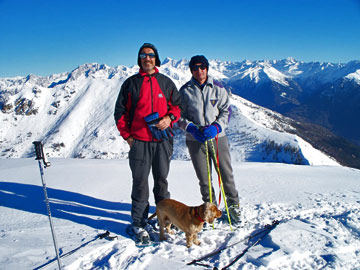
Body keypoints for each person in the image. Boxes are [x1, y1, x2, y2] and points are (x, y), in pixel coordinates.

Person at [114, 43, 181, 239]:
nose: (147, 58)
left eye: (150, 55)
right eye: (143, 55)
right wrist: (127, 136)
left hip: (163, 141)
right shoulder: (130, 83)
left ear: (156, 58)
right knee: (140, 183)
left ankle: (165, 219)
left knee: (161, 182)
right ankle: (139, 223)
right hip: (140, 142)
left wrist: (169, 119)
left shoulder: (166, 82)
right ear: (139, 59)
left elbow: (177, 107)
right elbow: (120, 113)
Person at [178, 55, 240, 223]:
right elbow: (178, 115)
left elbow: (226, 111)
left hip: (218, 138)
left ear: (207, 68)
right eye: (195, 68)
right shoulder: (185, 91)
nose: (199, 70)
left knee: (226, 175)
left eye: (202, 67)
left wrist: (217, 127)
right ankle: (209, 210)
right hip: (195, 140)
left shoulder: (218, 88)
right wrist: (190, 127)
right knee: (205, 180)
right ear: (191, 70)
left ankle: (234, 209)